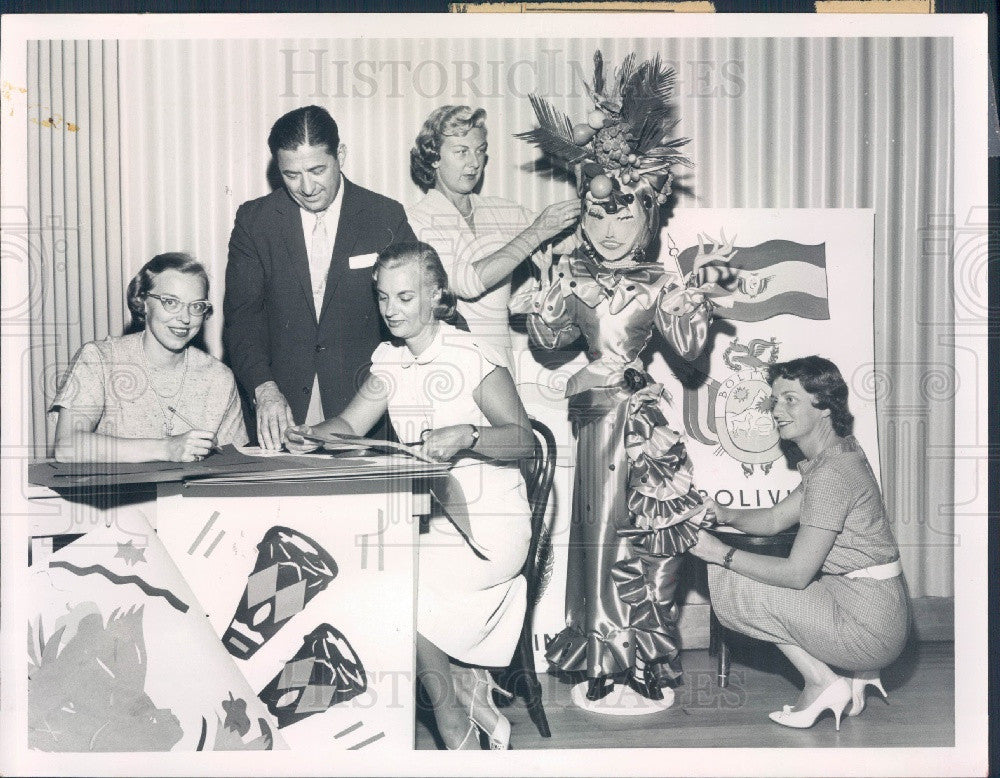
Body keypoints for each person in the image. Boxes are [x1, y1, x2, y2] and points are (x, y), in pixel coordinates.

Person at [511, 51, 734, 702]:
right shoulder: (575, 277)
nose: (609, 229)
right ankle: (605, 662)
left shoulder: (660, 280)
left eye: (624, 215)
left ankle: (644, 660)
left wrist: (696, 296)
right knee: (598, 547)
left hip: (647, 430)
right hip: (595, 426)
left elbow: (691, 349)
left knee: (653, 546)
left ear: (651, 214)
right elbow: (549, 341)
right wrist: (548, 293)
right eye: (597, 215)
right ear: (583, 211)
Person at [284, 242, 534, 750]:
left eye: (404, 297)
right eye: (382, 298)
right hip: (437, 524)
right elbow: (349, 427)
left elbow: (524, 440)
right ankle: (463, 685)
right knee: (375, 576)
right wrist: (306, 434)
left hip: (493, 527)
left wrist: (469, 434)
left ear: (436, 296)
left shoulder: (470, 354)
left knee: (400, 589)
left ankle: (451, 722)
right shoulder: (390, 360)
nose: (391, 310)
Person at [689, 356, 910, 731]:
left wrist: (717, 553)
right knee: (744, 567)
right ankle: (853, 675)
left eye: (790, 400)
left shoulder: (832, 474)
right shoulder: (837, 456)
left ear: (824, 406)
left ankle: (823, 682)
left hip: (870, 628)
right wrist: (725, 514)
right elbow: (776, 518)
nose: (776, 411)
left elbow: (795, 574)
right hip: (872, 609)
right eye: (775, 401)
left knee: (736, 579)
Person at [224, 105, 416, 449]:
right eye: (291, 175)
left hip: (365, 409)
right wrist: (264, 389)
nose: (307, 186)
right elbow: (242, 320)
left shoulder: (384, 215)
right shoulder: (255, 221)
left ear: (340, 155)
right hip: (279, 410)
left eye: (317, 170)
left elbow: (417, 304)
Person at [407, 105, 578, 369]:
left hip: (501, 365)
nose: (474, 163)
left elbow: (571, 241)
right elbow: (467, 283)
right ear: (434, 157)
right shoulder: (417, 219)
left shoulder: (499, 210)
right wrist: (537, 232)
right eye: (461, 152)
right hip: (446, 368)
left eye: (480, 150)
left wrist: (599, 185)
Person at [52, 252, 247, 462]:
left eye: (196, 306)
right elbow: (66, 447)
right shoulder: (100, 359)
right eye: (171, 302)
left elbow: (237, 463)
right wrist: (166, 449)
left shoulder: (219, 378)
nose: (185, 318)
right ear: (142, 301)